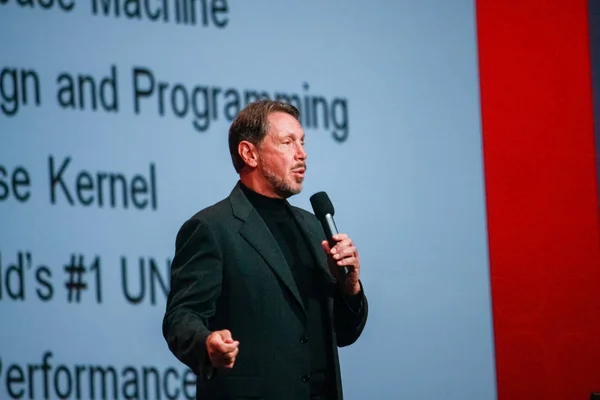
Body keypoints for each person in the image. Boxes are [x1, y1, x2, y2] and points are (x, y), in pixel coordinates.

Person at [162, 99, 368, 400]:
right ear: (249, 153)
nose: (302, 154)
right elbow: (182, 315)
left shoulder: (314, 228)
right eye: (287, 142)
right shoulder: (213, 228)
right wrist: (207, 343)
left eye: (302, 142)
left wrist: (349, 288)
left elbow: (345, 333)